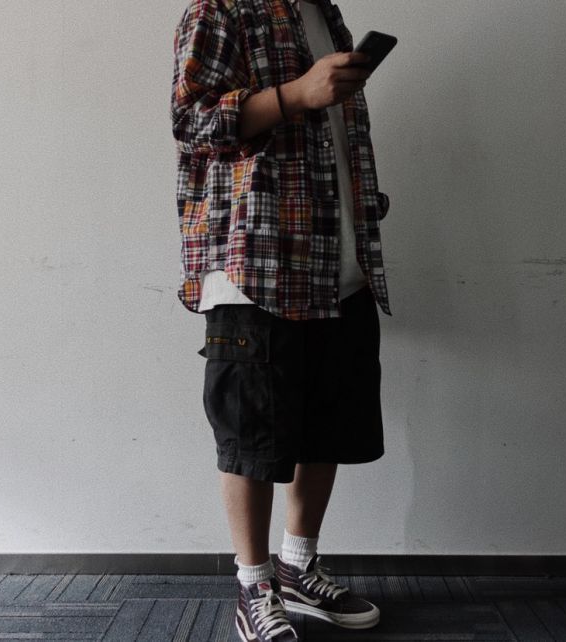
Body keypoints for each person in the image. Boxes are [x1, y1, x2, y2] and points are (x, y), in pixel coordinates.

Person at [170, 0, 393, 639]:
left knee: (328, 428)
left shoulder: (325, 13)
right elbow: (190, 121)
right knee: (250, 436)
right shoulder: (220, 9)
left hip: (338, 263)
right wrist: (296, 93)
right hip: (255, 269)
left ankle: (297, 567)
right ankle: (254, 584)